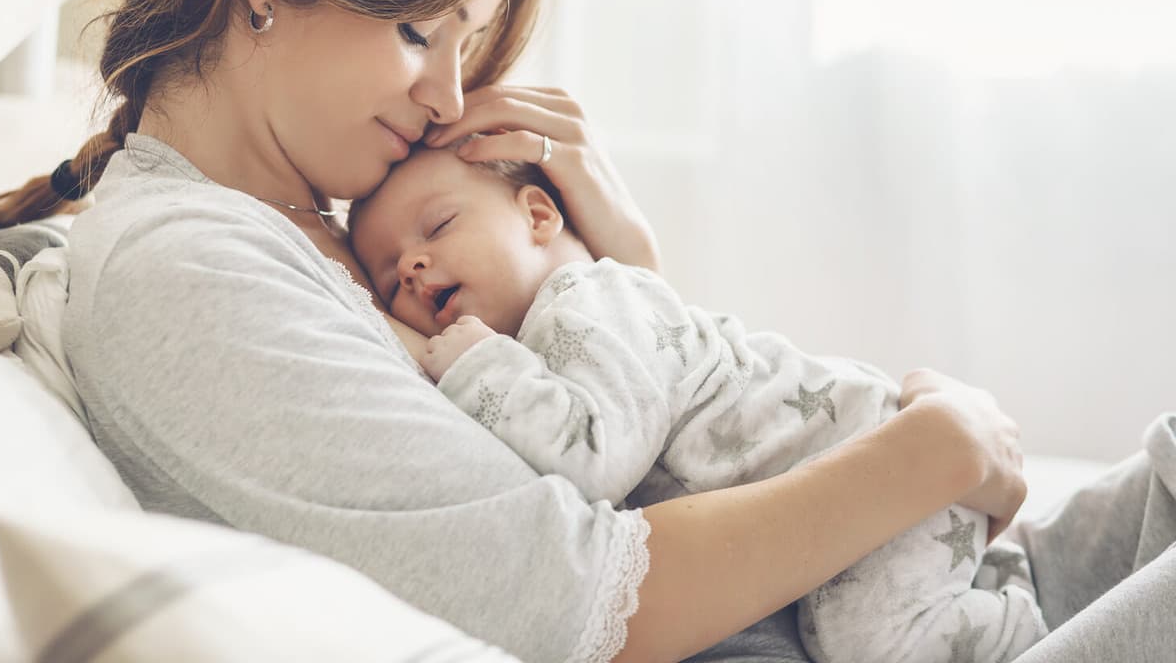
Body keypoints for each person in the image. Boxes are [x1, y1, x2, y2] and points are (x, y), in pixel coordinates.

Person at [0, 0, 1171, 661]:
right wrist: (932, 451)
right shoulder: (189, 273)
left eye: (465, 45)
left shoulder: (318, 232)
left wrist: (628, 267)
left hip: (859, 594)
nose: (448, 92)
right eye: (415, 29)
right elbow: (578, 587)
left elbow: (652, 446)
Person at [347, 143, 1050, 663]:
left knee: (867, 647)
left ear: (537, 214)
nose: (410, 265)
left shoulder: (587, 300)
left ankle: (1023, 623)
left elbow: (595, 459)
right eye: (388, 277)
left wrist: (478, 365)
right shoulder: (557, 332)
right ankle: (989, 576)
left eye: (437, 228)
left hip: (885, 470)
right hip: (870, 482)